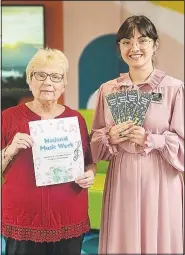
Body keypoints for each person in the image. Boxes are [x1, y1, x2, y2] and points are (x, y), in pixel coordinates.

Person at [90, 15, 184, 254]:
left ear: (155, 45)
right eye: (126, 41)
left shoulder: (174, 88)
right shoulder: (108, 89)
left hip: (161, 178)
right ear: (119, 47)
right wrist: (109, 137)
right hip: (123, 178)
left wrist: (151, 139)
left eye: (142, 40)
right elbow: (95, 143)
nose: (134, 48)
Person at [2, 47, 96, 255]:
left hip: (68, 218)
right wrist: (9, 150)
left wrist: (90, 174)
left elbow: (89, 162)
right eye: (40, 75)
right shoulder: (8, 118)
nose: (48, 83)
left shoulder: (76, 120)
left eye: (55, 76)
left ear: (63, 83)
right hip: (23, 220)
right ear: (29, 79)